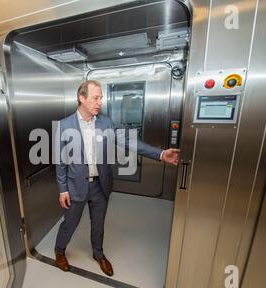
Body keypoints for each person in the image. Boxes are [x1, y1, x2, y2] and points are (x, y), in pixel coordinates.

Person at [54, 80, 179, 276]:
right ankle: (60, 251)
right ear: (81, 98)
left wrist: (161, 154)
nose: (100, 102)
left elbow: (129, 141)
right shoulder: (64, 125)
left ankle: (98, 254)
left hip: (100, 186)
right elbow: (60, 161)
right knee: (69, 224)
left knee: (99, 224)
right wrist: (63, 189)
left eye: (101, 98)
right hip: (75, 186)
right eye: (95, 98)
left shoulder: (106, 122)